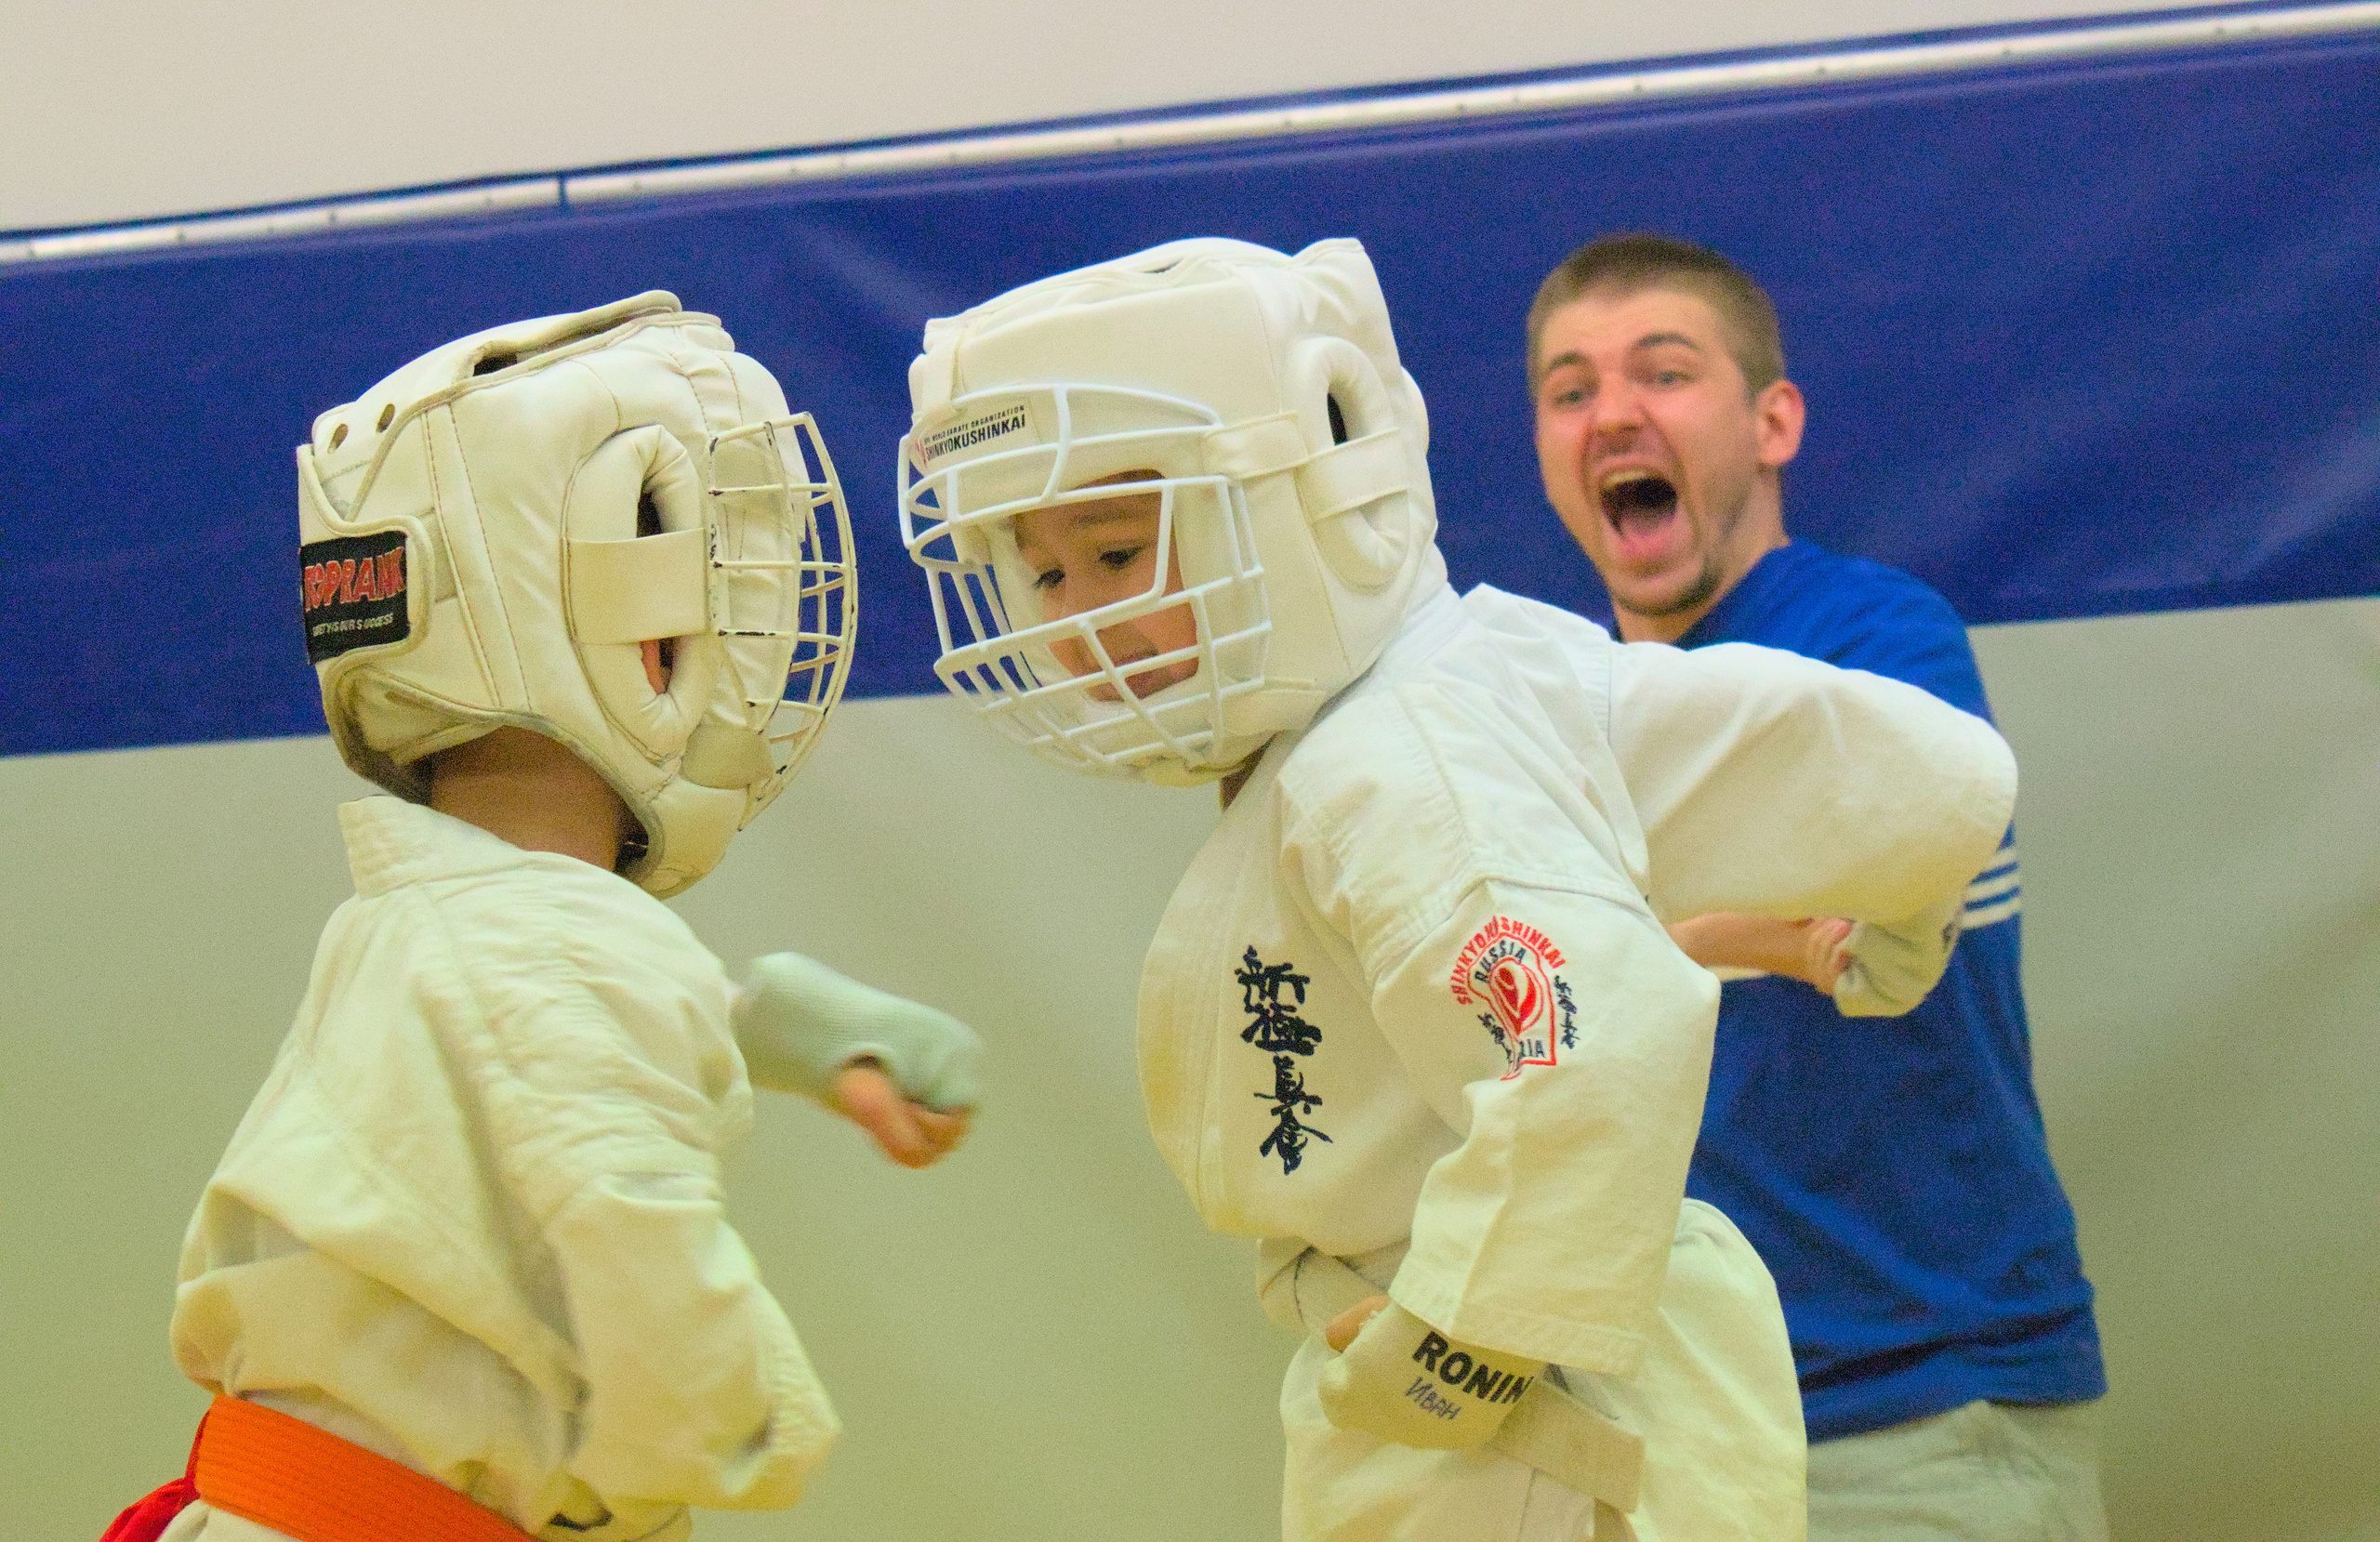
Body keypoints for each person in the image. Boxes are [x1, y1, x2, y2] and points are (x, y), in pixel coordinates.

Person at [896, 237, 2022, 1541]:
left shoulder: (1397, 761)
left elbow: (1589, 1055)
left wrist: (1455, 1349)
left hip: (1532, 1423)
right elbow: (1857, 757)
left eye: (1118, 554)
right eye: (1045, 573)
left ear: (1298, 496)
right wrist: (1906, 900)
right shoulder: (1468, 681)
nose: (1081, 620)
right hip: (1513, 1386)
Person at [105, 294, 983, 1542]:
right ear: (652, 634)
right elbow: (637, 1268)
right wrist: (769, 1431)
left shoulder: (415, 914)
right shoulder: (563, 956)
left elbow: (505, 1067)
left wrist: (763, 1029)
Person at [1527, 232, 2108, 1540]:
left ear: (1772, 419)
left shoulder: (1875, 647)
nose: (1613, 410)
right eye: (1571, 391)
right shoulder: (1543, 708)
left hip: (1917, 1422)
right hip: (1648, 1438)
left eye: (1662, 374)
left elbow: (1861, 918)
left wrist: (1596, 917)